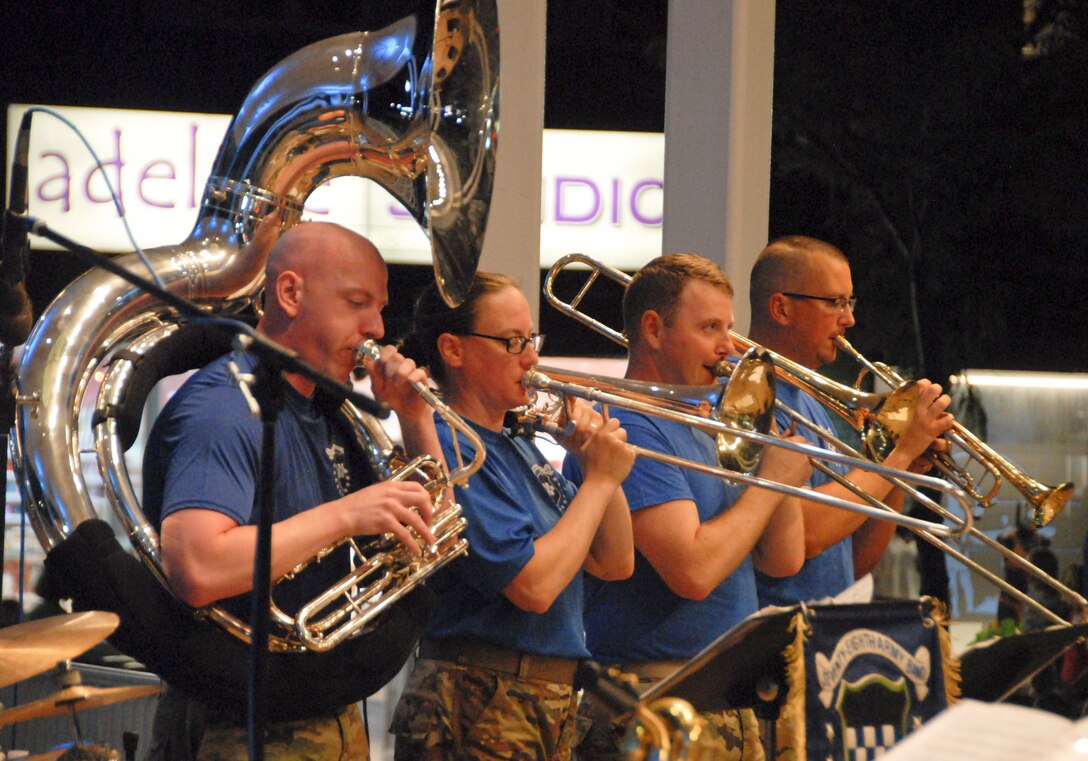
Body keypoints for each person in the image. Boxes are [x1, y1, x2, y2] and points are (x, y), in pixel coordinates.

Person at [141, 221, 442, 761]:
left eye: (379, 307)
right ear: (290, 293)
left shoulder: (332, 410)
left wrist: (416, 418)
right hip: (241, 721)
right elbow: (197, 567)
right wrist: (347, 516)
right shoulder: (225, 407)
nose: (376, 327)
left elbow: (432, 534)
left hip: (324, 705)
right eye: (357, 303)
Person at [566, 253, 811, 761]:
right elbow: (693, 572)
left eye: (730, 326)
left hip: (727, 699)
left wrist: (768, 447)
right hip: (655, 699)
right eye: (710, 327)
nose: (730, 347)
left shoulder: (707, 423)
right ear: (654, 330)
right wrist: (770, 481)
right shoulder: (629, 428)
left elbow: (783, 559)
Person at [389, 272, 635, 761]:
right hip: (479, 697)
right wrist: (602, 482)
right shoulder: (450, 445)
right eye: (512, 342)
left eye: (531, 339)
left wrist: (594, 468)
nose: (531, 357)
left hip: (537, 696)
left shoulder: (519, 445)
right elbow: (534, 587)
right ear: (453, 350)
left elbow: (614, 561)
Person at [747, 235, 955, 608]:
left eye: (849, 302)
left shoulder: (809, 400)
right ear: (781, 308)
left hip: (829, 630)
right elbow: (809, 534)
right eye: (834, 303)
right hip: (778, 635)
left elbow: (853, 561)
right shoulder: (749, 400)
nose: (849, 319)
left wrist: (901, 473)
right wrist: (900, 453)